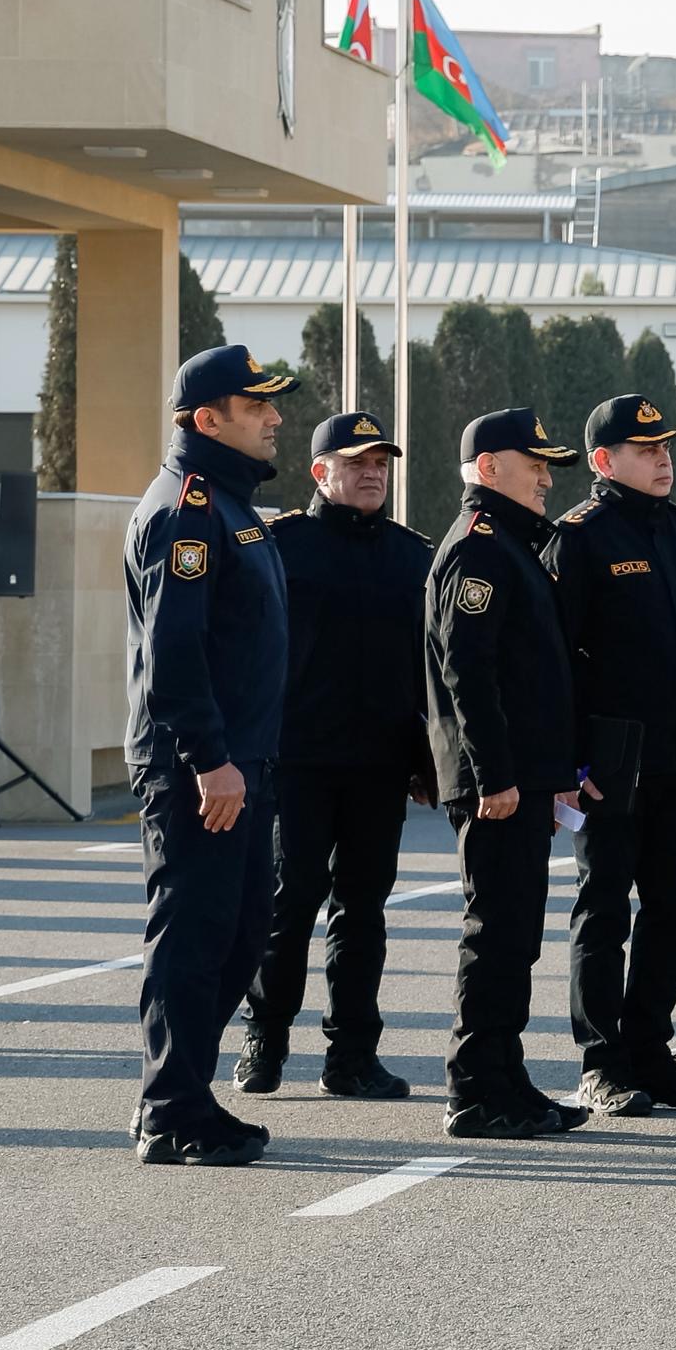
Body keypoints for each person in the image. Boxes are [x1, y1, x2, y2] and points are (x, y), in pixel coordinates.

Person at [122, 342, 303, 1164]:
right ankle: (170, 1111)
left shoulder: (232, 506)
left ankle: (186, 1091)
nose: (274, 418)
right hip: (203, 770)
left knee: (237, 936)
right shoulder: (188, 511)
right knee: (194, 938)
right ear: (208, 419)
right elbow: (176, 652)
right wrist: (208, 759)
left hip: (243, 762)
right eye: (257, 406)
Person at [546, 393, 676, 1117]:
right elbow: (557, 661)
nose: (663, 460)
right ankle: (602, 1060)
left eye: (666, 448)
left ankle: (652, 1051)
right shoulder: (580, 537)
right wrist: (570, 761)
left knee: (673, 910)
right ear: (603, 461)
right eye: (647, 450)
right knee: (603, 910)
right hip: (610, 765)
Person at [244, 405, 428, 1102]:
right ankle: (266, 1037)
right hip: (297, 759)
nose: (372, 474)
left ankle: (352, 1054)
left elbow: (426, 671)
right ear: (321, 473)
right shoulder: (278, 543)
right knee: (289, 902)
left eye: (380, 463)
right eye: (356, 464)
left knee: (364, 908)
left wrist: (425, 758)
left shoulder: (413, 555)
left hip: (379, 763)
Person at [425, 408, 594, 1140]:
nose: (547, 477)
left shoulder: (514, 545)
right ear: (489, 467)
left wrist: (550, 770)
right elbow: (470, 670)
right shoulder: (482, 547)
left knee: (517, 933)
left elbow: (530, 679)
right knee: (495, 932)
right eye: (534, 464)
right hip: (497, 784)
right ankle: (474, 1088)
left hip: (522, 777)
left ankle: (506, 1078)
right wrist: (495, 775)